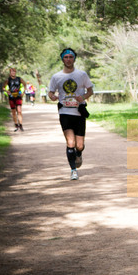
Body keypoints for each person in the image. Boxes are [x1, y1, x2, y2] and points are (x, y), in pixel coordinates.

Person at [47, 48, 94, 181]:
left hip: (79, 112)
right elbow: (50, 92)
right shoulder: (57, 76)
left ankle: (78, 154)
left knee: (79, 145)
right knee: (70, 142)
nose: (68, 59)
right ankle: (73, 170)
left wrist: (83, 97)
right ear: (62, 59)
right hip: (65, 112)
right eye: (66, 57)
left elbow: (90, 90)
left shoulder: (82, 74)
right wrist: (52, 96)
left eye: (71, 57)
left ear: (74, 58)